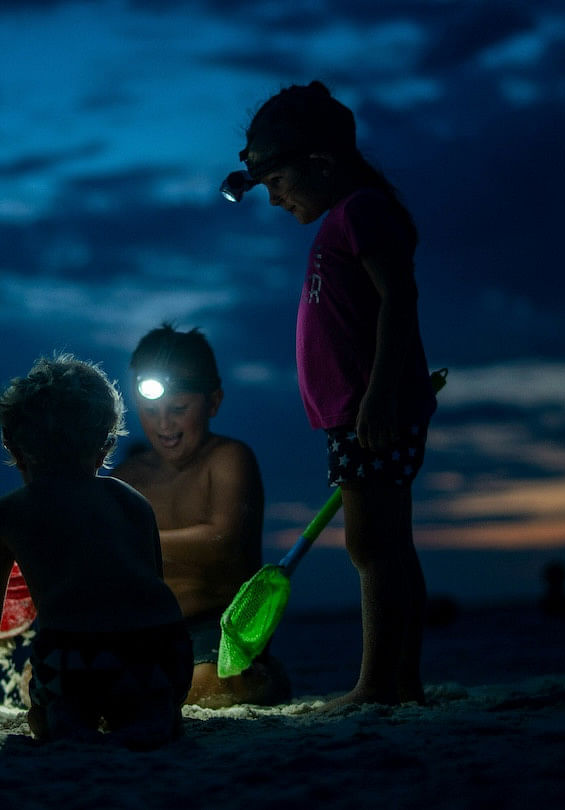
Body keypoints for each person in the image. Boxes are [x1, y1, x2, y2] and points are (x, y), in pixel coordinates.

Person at [220, 81, 437, 707]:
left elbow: (400, 298)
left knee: (373, 545)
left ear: (319, 164)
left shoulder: (362, 210)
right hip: (359, 415)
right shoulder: (344, 219)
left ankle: (376, 687)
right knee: (386, 543)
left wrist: (377, 395)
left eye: (278, 182)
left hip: (373, 413)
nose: (273, 199)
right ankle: (402, 682)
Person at [0, 354, 191, 749]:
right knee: (142, 691)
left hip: (78, 659)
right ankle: (155, 714)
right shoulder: (132, 502)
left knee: (44, 712)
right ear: (106, 446)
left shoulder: (10, 512)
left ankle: (68, 719)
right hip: (162, 654)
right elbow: (153, 592)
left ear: (12, 444)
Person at [112, 324, 290, 707]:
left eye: (178, 409)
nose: (165, 425)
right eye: (151, 411)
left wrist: (122, 541)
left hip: (215, 625)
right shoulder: (125, 477)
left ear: (213, 402)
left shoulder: (228, 459)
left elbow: (222, 541)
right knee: (57, 679)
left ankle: (262, 675)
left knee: (205, 687)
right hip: (142, 628)